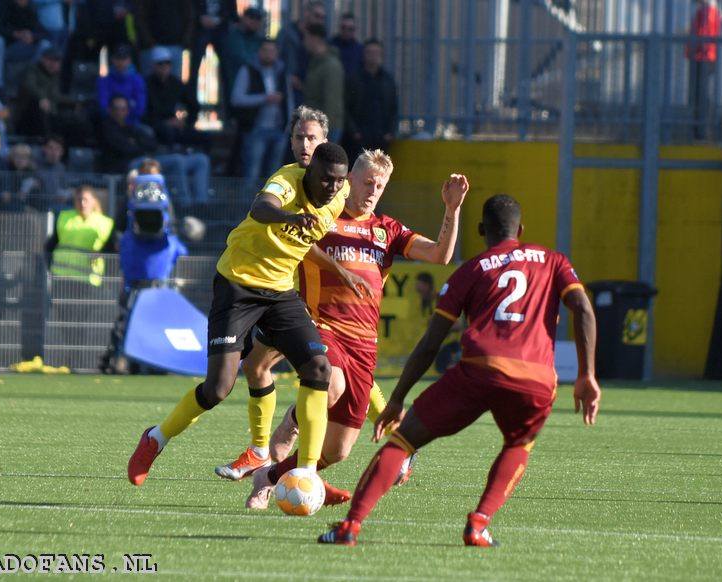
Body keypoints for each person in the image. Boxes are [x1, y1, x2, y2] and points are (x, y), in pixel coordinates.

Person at [318, 194, 601, 546]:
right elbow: (583, 310)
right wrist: (588, 374)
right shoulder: (554, 261)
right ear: (521, 229)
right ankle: (479, 524)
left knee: (404, 440)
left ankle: (350, 527)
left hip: (479, 370)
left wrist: (397, 399)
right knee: (518, 444)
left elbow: (431, 342)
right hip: (536, 379)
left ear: (481, 230)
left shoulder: (471, 270)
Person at [231, 151, 468, 511]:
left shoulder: (386, 229)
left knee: (338, 450)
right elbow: (288, 239)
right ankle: (289, 432)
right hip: (319, 325)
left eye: (380, 185)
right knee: (330, 384)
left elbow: (439, 255)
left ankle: (271, 475)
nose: (373, 190)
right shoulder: (324, 218)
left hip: (364, 344)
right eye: (368, 182)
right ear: (349, 181)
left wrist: (451, 210)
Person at [127, 141, 352, 488]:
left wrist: (340, 268)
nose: (333, 188)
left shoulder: (340, 192)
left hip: (280, 293)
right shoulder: (287, 182)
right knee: (218, 388)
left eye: (339, 181)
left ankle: (305, 473)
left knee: (318, 368)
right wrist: (291, 217)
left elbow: (311, 238)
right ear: (309, 172)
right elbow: (261, 207)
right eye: (326, 180)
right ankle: (156, 438)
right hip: (238, 286)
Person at [100, 173, 188, 374]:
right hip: (135, 287)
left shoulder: (165, 234)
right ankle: (122, 360)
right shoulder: (130, 229)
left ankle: (156, 364)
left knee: (159, 327)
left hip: (159, 288)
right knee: (126, 326)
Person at [230, 38, 292, 180]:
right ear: (259, 52)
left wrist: (289, 124)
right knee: (252, 172)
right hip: (256, 129)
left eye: (272, 51)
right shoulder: (248, 70)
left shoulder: (281, 71)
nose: (268, 54)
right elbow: (236, 98)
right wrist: (264, 98)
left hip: (279, 129)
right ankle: (248, 201)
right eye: (265, 50)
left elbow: (289, 99)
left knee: (275, 176)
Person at [45, 184, 116, 287]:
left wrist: (100, 253)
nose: (82, 203)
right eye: (79, 200)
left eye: (85, 200)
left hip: (88, 279)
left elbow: (112, 250)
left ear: (94, 201)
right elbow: (51, 245)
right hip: (62, 277)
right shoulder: (64, 217)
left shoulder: (105, 223)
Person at [343, 38, 398, 160]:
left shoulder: (387, 80)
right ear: (364, 54)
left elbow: (394, 108)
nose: (373, 56)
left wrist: (390, 133)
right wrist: (354, 132)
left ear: (381, 55)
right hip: (359, 136)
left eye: (376, 52)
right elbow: (346, 107)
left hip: (381, 136)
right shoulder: (354, 79)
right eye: (369, 52)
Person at [143, 46, 203, 147]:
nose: (164, 66)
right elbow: (145, 115)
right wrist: (165, 123)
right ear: (153, 66)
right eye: (160, 64)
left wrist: (186, 122)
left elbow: (193, 104)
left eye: (167, 63)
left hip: (175, 124)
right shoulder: (146, 84)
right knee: (167, 133)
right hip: (156, 126)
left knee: (204, 137)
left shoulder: (176, 84)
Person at [276, 0, 325, 107]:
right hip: (289, 88)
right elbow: (276, 58)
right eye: (317, 15)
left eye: (322, 17)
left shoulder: (320, 37)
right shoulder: (287, 32)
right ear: (307, 13)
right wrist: (288, 76)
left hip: (309, 90)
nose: (319, 20)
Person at [685, 0, 721, 139]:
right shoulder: (705, 10)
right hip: (702, 55)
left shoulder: (708, 11)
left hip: (703, 56)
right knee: (699, 93)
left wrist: (693, 48)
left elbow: (703, 35)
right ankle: (699, 128)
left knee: (700, 94)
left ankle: (700, 129)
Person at [303, 23, 344, 143]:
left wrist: (325, 130)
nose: (304, 42)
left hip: (325, 128)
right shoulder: (316, 62)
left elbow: (331, 100)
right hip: (315, 125)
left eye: (306, 38)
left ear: (314, 39)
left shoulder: (330, 65)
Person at [133, 0, 194, 79]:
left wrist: (184, 41)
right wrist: (149, 42)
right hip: (151, 47)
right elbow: (140, 16)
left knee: (174, 84)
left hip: (175, 45)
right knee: (149, 84)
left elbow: (189, 16)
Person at [96, 43, 146, 126]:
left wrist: (125, 119)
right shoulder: (103, 80)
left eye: (124, 58)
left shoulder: (137, 80)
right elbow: (102, 105)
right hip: (109, 123)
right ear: (112, 59)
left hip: (132, 123)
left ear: (129, 60)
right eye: (118, 58)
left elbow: (140, 107)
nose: (120, 62)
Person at [330, 12, 363, 77]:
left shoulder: (361, 50)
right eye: (343, 27)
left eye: (350, 29)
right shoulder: (329, 46)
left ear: (355, 29)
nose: (346, 31)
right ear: (339, 28)